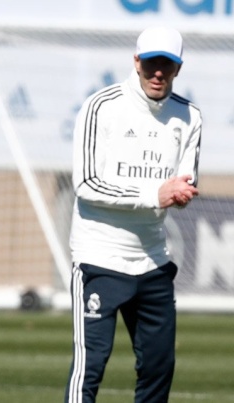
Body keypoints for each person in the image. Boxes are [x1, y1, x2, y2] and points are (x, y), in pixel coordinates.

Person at [65, 27, 201, 403]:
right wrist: (154, 194)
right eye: (152, 62)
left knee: (158, 369)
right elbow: (86, 184)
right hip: (99, 259)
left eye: (167, 65)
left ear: (178, 68)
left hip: (153, 261)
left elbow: (184, 181)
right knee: (90, 368)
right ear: (137, 61)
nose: (158, 72)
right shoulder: (101, 106)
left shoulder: (189, 116)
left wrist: (181, 195)